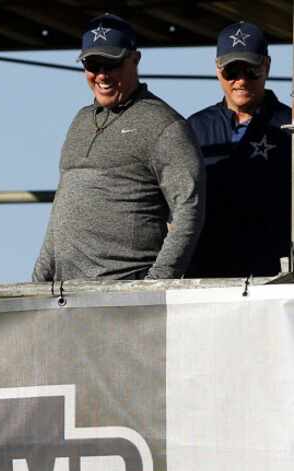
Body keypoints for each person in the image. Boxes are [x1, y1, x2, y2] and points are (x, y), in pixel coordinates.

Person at [33, 14, 204, 282]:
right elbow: (61, 208)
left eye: (111, 63)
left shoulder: (164, 124)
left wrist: (156, 282)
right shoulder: (80, 120)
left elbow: (189, 206)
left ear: (135, 60)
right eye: (92, 64)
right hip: (67, 297)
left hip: (126, 295)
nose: (101, 75)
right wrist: (39, 279)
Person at [186, 21, 291, 278]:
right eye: (232, 71)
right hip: (206, 274)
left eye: (251, 69)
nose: (241, 80)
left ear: (266, 65)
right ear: (218, 70)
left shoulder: (290, 126)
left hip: (273, 279)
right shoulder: (193, 128)